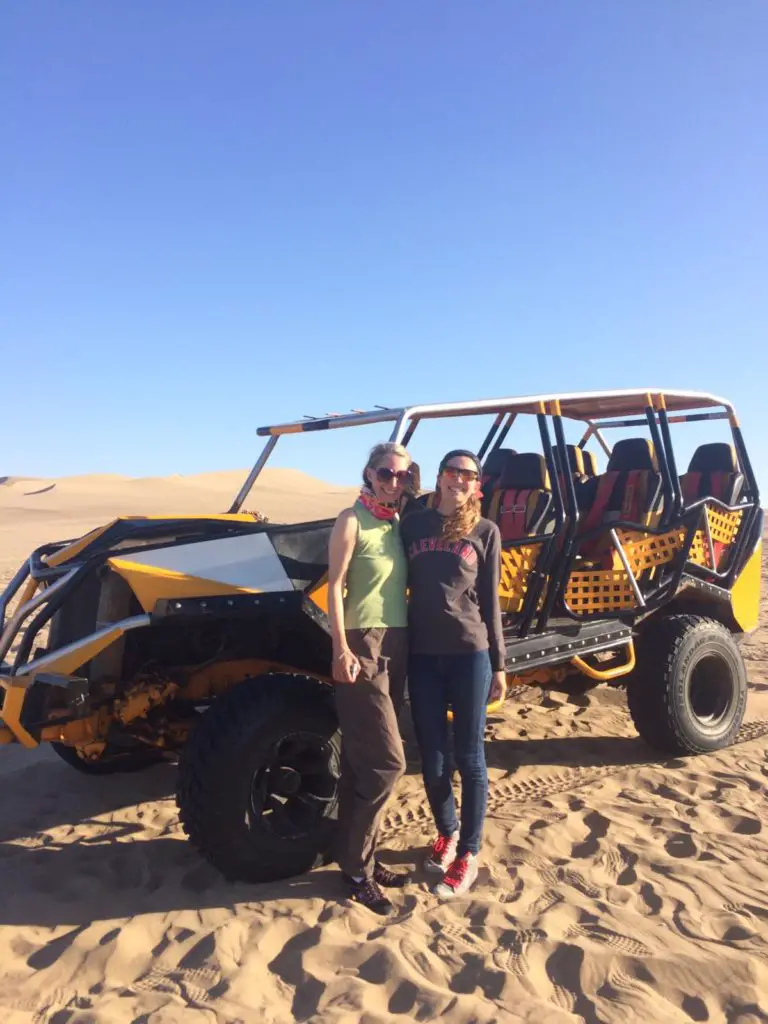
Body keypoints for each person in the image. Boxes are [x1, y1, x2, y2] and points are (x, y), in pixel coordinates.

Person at [400, 449, 506, 899]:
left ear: (476, 484)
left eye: (469, 475)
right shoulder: (414, 523)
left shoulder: (486, 531)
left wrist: (500, 663)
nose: (460, 480)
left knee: (470, 757)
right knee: (433, 756)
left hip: (469, 653)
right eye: (453, 472)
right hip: (422, 655)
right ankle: (446, 831)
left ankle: (469, 852)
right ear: (440, 477)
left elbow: (491, 600)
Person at [327, 441, 415, 914]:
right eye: (387, 473)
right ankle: (357, 871)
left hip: (396, 643)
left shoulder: (396, 523)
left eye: (403, 475)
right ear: (369, 472)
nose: (395, 482)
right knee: (389, 762)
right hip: (362, 645)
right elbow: (335, 587)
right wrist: (340, 647)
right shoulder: (351, 520)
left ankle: (362, 855)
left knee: (364, 761)